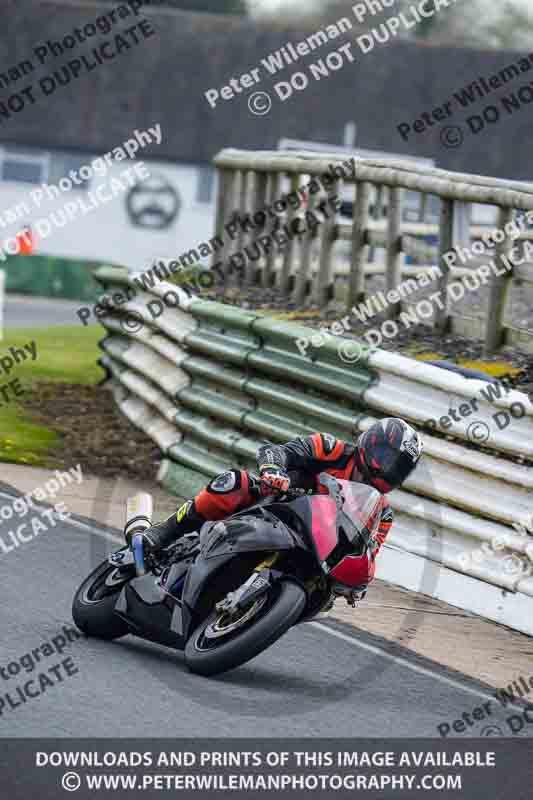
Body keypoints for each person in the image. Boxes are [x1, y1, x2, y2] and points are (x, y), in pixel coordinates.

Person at [129, 418, 423, 595]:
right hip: (278, 508)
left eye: (398, 468)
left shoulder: (381, 513)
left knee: (325, 593)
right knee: (235, 482)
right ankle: (164, 532)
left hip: (315, 552)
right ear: (371, 443)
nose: (388, 470)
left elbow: (368, 552)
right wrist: (273, 470)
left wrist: (358, 580)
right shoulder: (331, 448)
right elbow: (279, 451)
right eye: (387, 459)